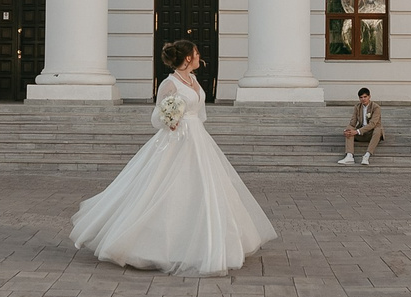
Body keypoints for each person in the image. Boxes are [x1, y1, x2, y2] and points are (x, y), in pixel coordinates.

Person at [71, 41, 275, 275]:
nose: (199, 56)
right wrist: (171, 120)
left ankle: (204, 242)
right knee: (165, 188)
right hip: (176, 141)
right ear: (187, 58)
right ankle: (154, 246)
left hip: (198, 138)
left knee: (205, 189)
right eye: (196, 53)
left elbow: (199, 112)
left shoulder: (194, 80)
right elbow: (156, 118)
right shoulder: (169, 84)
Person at [341, 88, 383, 166]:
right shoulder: (357, 107)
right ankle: (349, 156)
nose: (363, 99)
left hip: (372, 133)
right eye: (361, 97)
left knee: (378, 130)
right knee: (350, 129)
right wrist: (347, 130)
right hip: (361, 132)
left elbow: (373, 124)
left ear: (369, 96)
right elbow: (353, 122)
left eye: (365, 97)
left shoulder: (376, 107)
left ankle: (367, 156)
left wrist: (357, 131)